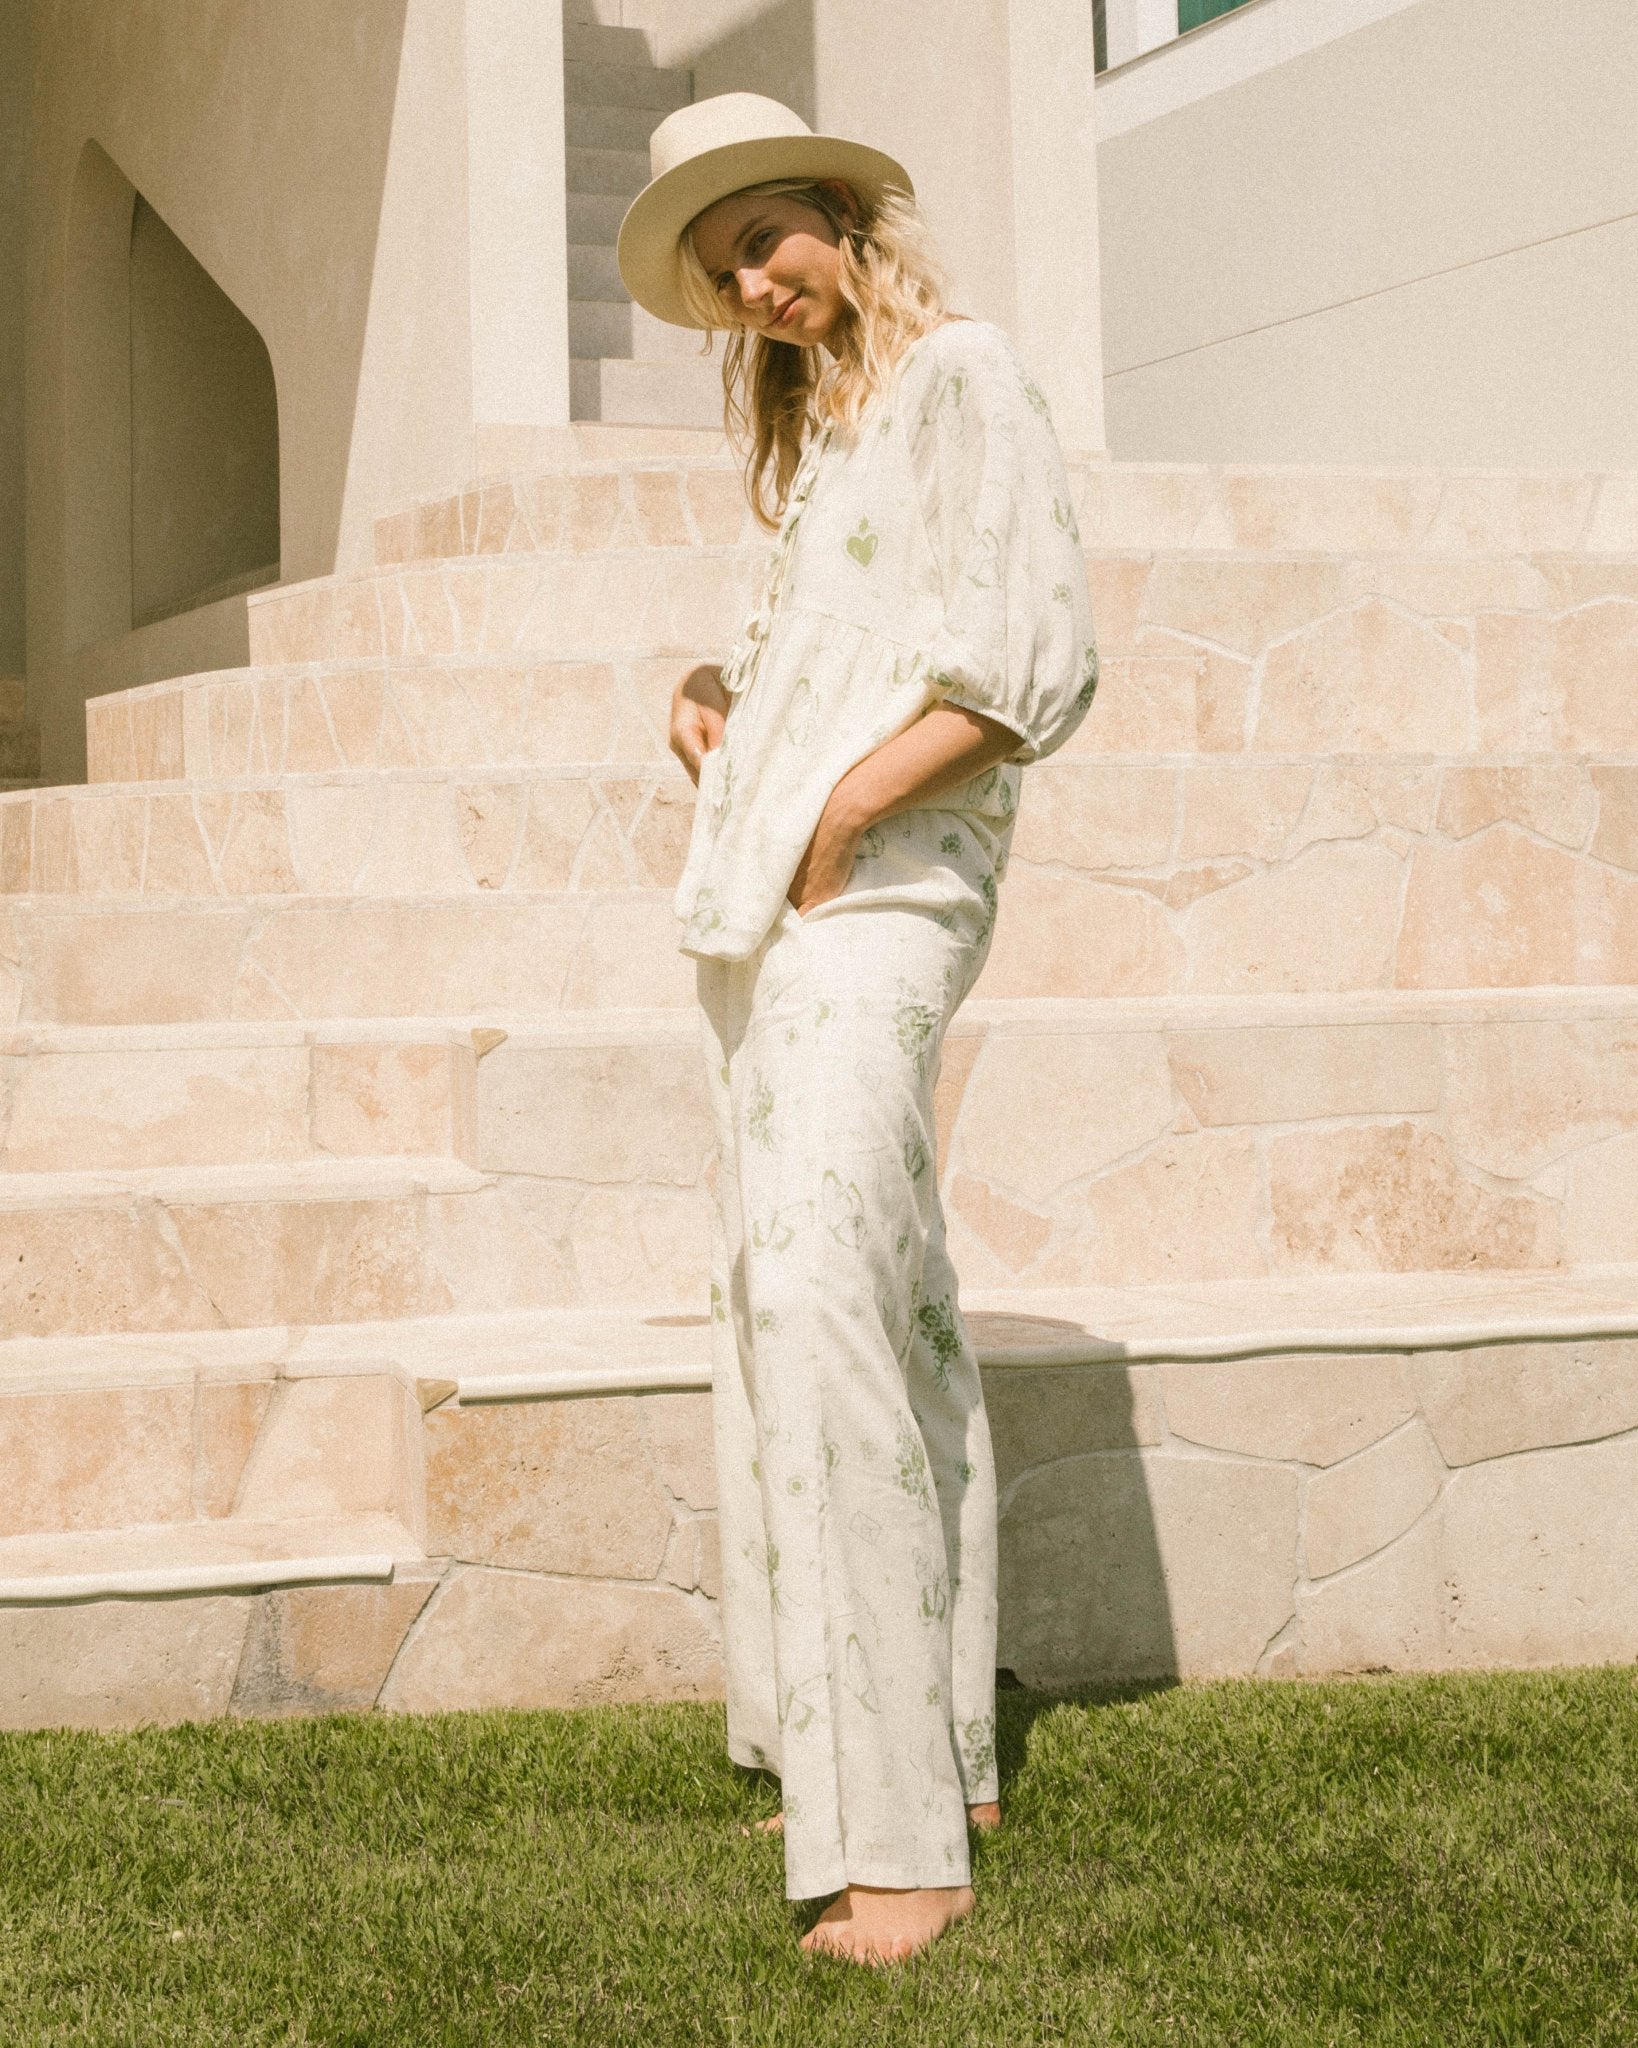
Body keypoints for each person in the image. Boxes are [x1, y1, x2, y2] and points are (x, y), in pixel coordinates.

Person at [616, 92, 1098, 1965]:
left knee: (820, 1293)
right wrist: (718, 705)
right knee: (857, 1297)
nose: (752, 281)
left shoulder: (963, 372)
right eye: (722, 268)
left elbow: (1030, 663)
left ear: (838, 216)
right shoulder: (827, 433)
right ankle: (921, 1749)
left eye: (766, 237)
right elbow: (849, 661)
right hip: (781, 904)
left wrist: (837, 817)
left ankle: (897, 1844)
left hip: (879, 895)